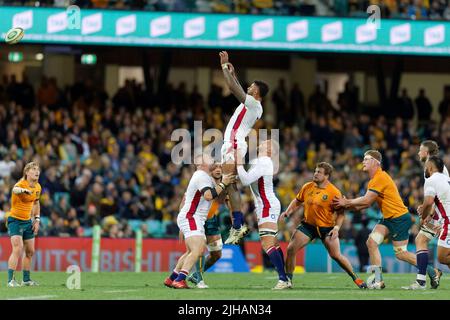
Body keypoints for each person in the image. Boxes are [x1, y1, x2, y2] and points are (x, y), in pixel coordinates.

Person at [332, 150, 431, 289]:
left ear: (375, 162)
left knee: (401, 254)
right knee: (371, 243)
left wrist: (346, 202)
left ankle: (432, 271)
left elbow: (366, 200)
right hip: (388, 218)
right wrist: (345, 206)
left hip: (399, 218)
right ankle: (378, 280)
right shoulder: (374, 180)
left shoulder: (380, 178)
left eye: (366, 159)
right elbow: (366, 204)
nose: (363, 162)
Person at [282, 162, 367, 289]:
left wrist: (337, 228)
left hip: (327, 228)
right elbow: (297, 200)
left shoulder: (334, 192)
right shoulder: (307, 186)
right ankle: (288, 280)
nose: (315, 174)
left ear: (326, 176)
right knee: (290, 249)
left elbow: (341, 214)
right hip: (308, 226)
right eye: (315, 171)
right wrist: (288, 212)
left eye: (319, 172)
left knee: (336, 256)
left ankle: (356, 278)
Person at [218, 50, 269, 245]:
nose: (248, 87)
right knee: (228, 183)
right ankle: (237, 224)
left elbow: (233, 89)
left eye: (251, 86)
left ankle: (238, 225)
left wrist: (224, 67)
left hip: (235, 144)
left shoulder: (254, 105)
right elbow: (238, 87)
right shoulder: (252, 104)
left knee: (228, 182)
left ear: (256, 92)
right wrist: (233, 73)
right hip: (230, 144)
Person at [163, 154, 234, 289]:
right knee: (198, 250)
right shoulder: (201, 175)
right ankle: (180, 280)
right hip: (192, 216)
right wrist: (224, 183)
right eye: (210, 160)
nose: (213, 161)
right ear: (201, 163)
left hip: (194, 218)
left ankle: (171, 278)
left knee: (191, 251)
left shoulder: (205, 177)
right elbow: (208, 196)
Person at [236, 140, 290, 289]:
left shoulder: (265, 161)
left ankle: (283, 279)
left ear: (270, 150)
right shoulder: (259, 161)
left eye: (267, 142)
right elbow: (247, 178)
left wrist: (239, 163)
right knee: (273, 243)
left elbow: (246, 180)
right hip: (264, 205)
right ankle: (285, 278)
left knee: (267, 244)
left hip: (267, 205)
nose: (262, 142)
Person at [402, 140, 444, 290]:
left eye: (421, 150)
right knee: (421, 240)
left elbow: (440, 196)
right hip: (440, 212)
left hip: (442, 214)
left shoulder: (434, 170)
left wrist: (428, 214)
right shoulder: (436, 168)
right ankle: (424, 279)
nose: (418, 153)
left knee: (439, 252)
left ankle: (424, 279)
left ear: (426, 153)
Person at [187, 163, 231, 289]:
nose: (218, 170)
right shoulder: (204, 182)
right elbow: (186, 200)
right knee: (198, 249)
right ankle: (198, 279)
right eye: (215, 168)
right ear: (209, 170)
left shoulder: (224, 185)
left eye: (220, 168)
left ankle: (195, 274)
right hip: (196, 219)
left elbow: (228, 202)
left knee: (217, 254)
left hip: (211, 220)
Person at [7, 161, 42, 287]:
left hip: (28, 221)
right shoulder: (21, 184)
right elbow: (15, 189)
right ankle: (10, 280)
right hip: (15, 220)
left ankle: (26, 280)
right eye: (33, 169)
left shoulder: (38, 187)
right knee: (17, 248)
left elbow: (36, 203)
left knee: (30, 251)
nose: (37, 172)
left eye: (38, 169)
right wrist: (23, 190)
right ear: (27, 172)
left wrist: (37, 220)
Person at [419, 157, 450, 269]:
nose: (425, 168)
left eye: (426, 166)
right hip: (445, 220)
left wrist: (423, 217)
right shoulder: (445, 179)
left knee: (442, 257)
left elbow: (428, 202)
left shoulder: (431, 180)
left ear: (430, 167)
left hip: (448, 221)